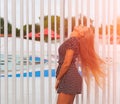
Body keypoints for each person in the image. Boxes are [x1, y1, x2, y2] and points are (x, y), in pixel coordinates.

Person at [55, 26, 106, 104]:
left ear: (82, 33)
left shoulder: (72, 41)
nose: (80, 25)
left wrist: (58, 79)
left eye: (82, 27)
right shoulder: (73, 40)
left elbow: (66, 63)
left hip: (69, 77)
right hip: (69, 77)